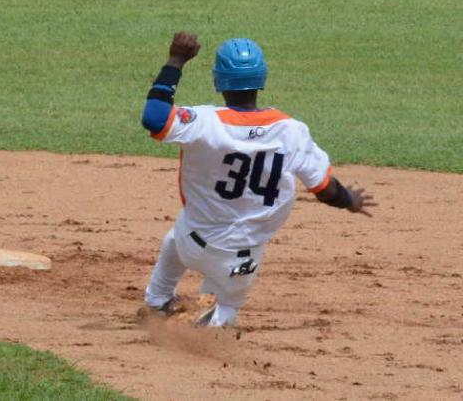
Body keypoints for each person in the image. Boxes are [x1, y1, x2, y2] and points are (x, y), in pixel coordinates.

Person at [140, 32, 375, 326]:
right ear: (262, 80)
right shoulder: (291, 130)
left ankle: (157, 301)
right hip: (239, 263)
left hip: (192, 241)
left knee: (178, 232)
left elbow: (154, 118)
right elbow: (324, 189)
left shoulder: (203, 122)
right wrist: (349, 200)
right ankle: (208, 322)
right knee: (225, 309)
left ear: (217, 81)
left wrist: (176, 61)